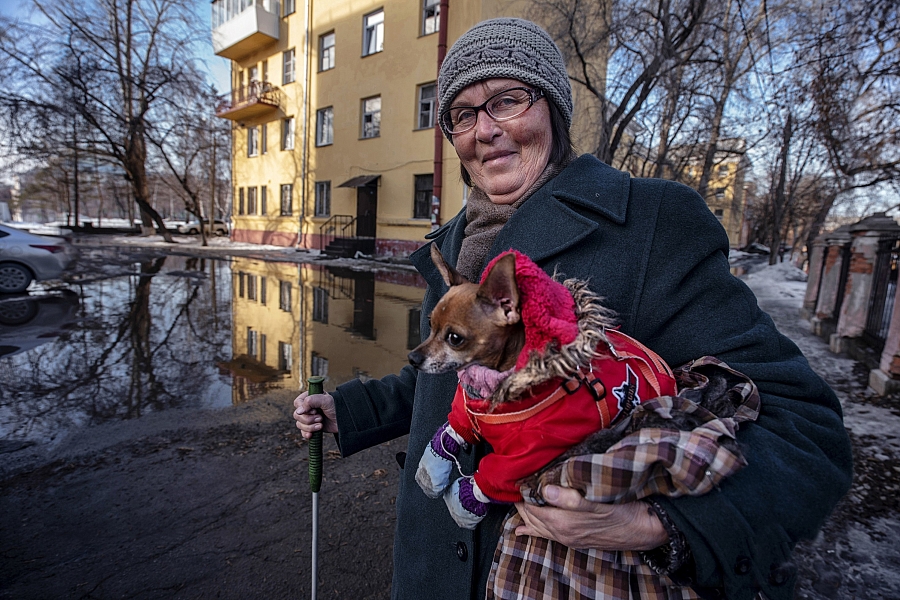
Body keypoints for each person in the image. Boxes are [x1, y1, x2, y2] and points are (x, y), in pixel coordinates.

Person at [294, 17, 852, 600]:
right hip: (429, 569)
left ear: (554, 113)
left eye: (507, 100)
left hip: (569, 579)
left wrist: (656, 526)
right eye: (461, 113)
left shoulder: (653, 223)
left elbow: (805, 430)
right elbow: (454, 377)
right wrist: (347, 410)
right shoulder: (453, 245)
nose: (484, 130)